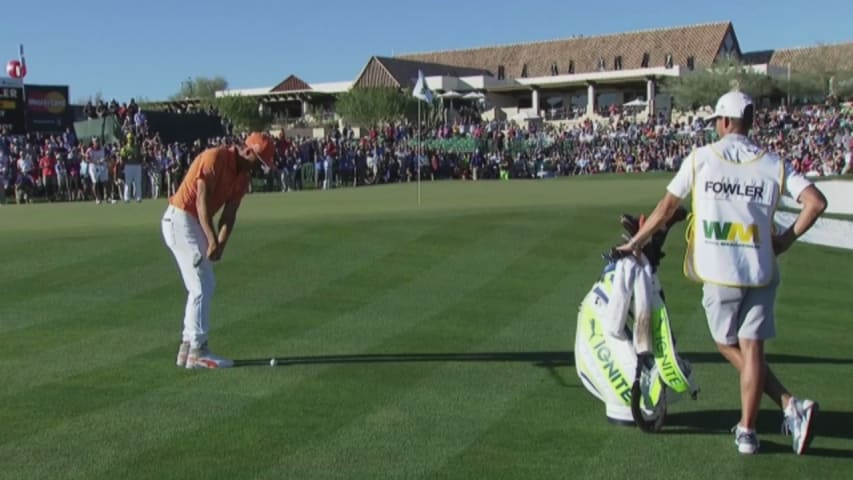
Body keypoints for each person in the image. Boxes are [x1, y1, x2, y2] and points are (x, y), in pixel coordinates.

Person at [616, 90, 827, 455]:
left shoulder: (702, 158)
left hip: (721, 269)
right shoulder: (772, 162)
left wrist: (636, 241)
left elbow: (667, 208)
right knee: (753, 349)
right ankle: (753, 428)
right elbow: (815, 202)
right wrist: (785, 240)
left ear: (725, 122)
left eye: (717, 121)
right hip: (761, 268)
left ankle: (787, 406)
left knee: (725, 344)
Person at [162, 132, 275, 369]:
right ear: (248, 151)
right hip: (181, 218)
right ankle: (198, 351)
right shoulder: (215, 158)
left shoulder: (242, 178)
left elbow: (229, 214)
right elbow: (201, 203)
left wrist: (221, 244)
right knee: (201, 285)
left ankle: (186, 347)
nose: (260, 168)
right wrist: (211, 240)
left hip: (192, 222)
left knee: (204, 284)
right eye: (260, 161)